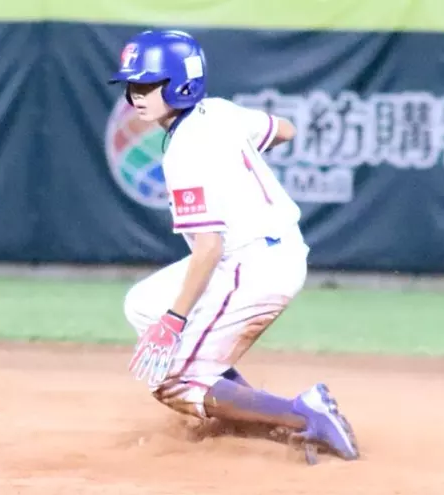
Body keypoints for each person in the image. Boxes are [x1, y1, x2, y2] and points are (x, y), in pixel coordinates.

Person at [108, 30, 359, 464]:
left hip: (252, 265)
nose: (136, 95)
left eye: (148, 84)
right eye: (132, 85)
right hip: (271, 250)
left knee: (173, 381)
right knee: (142, 304)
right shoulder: (218, 113)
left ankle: (302, 416)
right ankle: (239, 410)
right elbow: (285, 129)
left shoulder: (183, 150)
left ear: (181, 84)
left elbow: (208, 248)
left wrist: (175, 320)